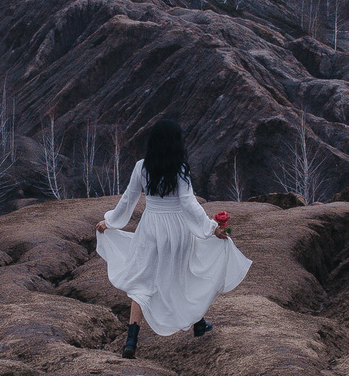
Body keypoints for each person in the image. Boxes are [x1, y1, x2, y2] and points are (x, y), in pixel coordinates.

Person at [97, 119, 251, 359]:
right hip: (178, 230)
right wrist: (211, 228)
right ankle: (199, 324)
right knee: (183, 274)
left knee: (142, 281)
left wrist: (111, 222)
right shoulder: (180, 168)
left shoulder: (141, 167)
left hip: (151, 228)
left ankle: (131, 341)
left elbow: (128, 200)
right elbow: (189, 203)